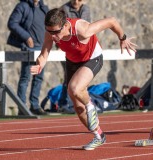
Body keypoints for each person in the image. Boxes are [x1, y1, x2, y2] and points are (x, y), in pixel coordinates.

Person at [30, 8, 136, 150]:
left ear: (66, 25)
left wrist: (122, 38)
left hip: (92, 58)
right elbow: (44, 54)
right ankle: (99, 136)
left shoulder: (82, 29)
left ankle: (91, 105)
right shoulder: (50, 33)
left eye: (55, 32)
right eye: (49, 31)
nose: (53, 36)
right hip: (72, 62)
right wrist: (39, 65)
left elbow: (112, 21)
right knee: (78, 107)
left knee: (75, 88)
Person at [7, 0, 49, 115]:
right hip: (29, 49)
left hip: (42, 49)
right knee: (25, 78)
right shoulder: (22, 6)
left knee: (39, 78)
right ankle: (22, 108)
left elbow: (50, 26)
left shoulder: (43, 8)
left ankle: (34, 106)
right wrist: (26, 37)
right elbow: (12, 23)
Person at [53, 0, 91, 112]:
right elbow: (59, 30)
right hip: (68, 48)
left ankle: (81, 103)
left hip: (81, 48)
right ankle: (64, 103)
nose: (76, 1)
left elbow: (86, 26)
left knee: (82, 79)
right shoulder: (64, 9)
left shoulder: (86, 9)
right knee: (68, 78)